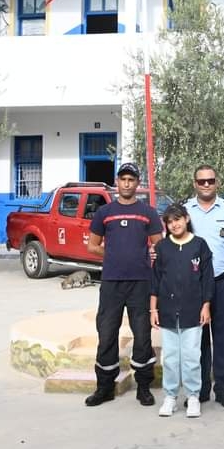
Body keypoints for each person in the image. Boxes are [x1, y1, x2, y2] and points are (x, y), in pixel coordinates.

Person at [84, 163, 164, 408]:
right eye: (123, 179)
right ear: (117, 182)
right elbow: (92, 246)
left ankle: (143, 387)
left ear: (137, 183)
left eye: (131, 179)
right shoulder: (104, 212)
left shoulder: (148, 212)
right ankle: (104, 388)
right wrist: (114, 255)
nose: (127, 183)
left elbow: (158, 245)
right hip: (111, 282)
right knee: (107, 333)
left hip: (141, 282)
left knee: (142, 334)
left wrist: (148, 256)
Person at [150, 203, 215, 418]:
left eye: (178, 219)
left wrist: (206, 305)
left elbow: (207, 279)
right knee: (170, 357)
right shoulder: (162, 247)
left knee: (191, 356)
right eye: (170, 221)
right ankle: (170, 397)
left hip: (193, 311)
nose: (174, 224)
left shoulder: (199, 245)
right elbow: (156, 280)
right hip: (168, 311)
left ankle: (193, 396)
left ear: (186, 219)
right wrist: (153, 309)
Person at [184, 164, 224, 408]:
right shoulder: (185, 212)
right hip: (194, 285)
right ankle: (201, 389)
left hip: (223, 281)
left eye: (210, 181)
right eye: (201, 181)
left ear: (217, 182)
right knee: (198, 339)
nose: (206, 185)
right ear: (195, 184)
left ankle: (223, 389)